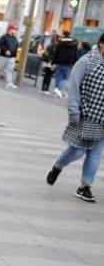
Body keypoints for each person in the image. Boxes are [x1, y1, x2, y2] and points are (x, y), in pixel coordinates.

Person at [45, 33, 104, 203]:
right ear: (101, 44)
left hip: (102, 118)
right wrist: (73, 112)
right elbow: (74, 87)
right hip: (84, 114)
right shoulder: (86, 61)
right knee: (77, 150)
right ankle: (58, 166)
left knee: (95, 153)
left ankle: (85, 186)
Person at [52, 31, 79, 99]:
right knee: (65, 78)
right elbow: (75, 54)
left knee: (58, 77)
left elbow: (56, 53)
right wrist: (75, 63)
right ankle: (59, 89)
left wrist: (53, 62)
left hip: (59, 62)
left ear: (64, 35)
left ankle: (57, 89)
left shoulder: (60, 43)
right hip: (68, 63)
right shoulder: (74, 44)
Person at [0, 24, 20, 89]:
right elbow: (0, 44)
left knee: (10, 70)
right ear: (10, 29)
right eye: (14, 29)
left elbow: (16, 47)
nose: (15, 31)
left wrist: (15, 57)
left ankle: (9, 82)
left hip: (11, 57)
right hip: (3, 56)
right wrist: (5, 50)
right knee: (0, 68)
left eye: (15, 30)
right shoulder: (4, 37)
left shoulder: (15, 38)